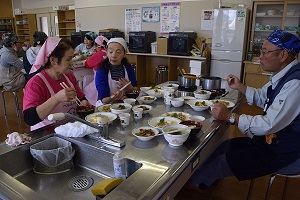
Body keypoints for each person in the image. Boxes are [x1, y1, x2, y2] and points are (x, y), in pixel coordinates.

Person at [187, 30, 300, 192]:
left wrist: (230, 116)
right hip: (273, 141)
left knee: (224, 161)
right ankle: (203, 178)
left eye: (265, 52)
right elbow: (264, 97)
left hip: (286, 152)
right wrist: (239, 86)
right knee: (225, 146)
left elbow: (269, 124)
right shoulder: (282, 75)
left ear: (283, 55)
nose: (260, 56)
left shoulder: (295, 83)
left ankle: (196, 184)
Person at [23, 37, 91, 131]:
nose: (72, 63)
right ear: (53, 61)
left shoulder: (69, 77)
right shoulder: (36, 83)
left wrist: (84, 102)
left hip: (70, 128)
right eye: (68, 59)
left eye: (72, 58)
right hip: (47, 133)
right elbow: (29, 118)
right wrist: (57, 98)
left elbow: (80, 98)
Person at [95, 37, 137, 104]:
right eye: (110, 52)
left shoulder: (128, 68)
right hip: (107, 107)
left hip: (127, 104)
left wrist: (131, 89)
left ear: (124, 53)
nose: (114, 55)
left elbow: (136, 89)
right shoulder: (102, 71)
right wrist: (113, 98)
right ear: (106, 52)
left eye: (118, 52)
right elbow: (103, 99)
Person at [83, 35, 108, 105]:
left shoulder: (98, 54)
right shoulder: (108, 52)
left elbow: (87, 64)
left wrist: (94, 55)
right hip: (109, 80)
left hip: (99, 80)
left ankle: (92, 105)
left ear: (97, 45)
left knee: (86, 90)